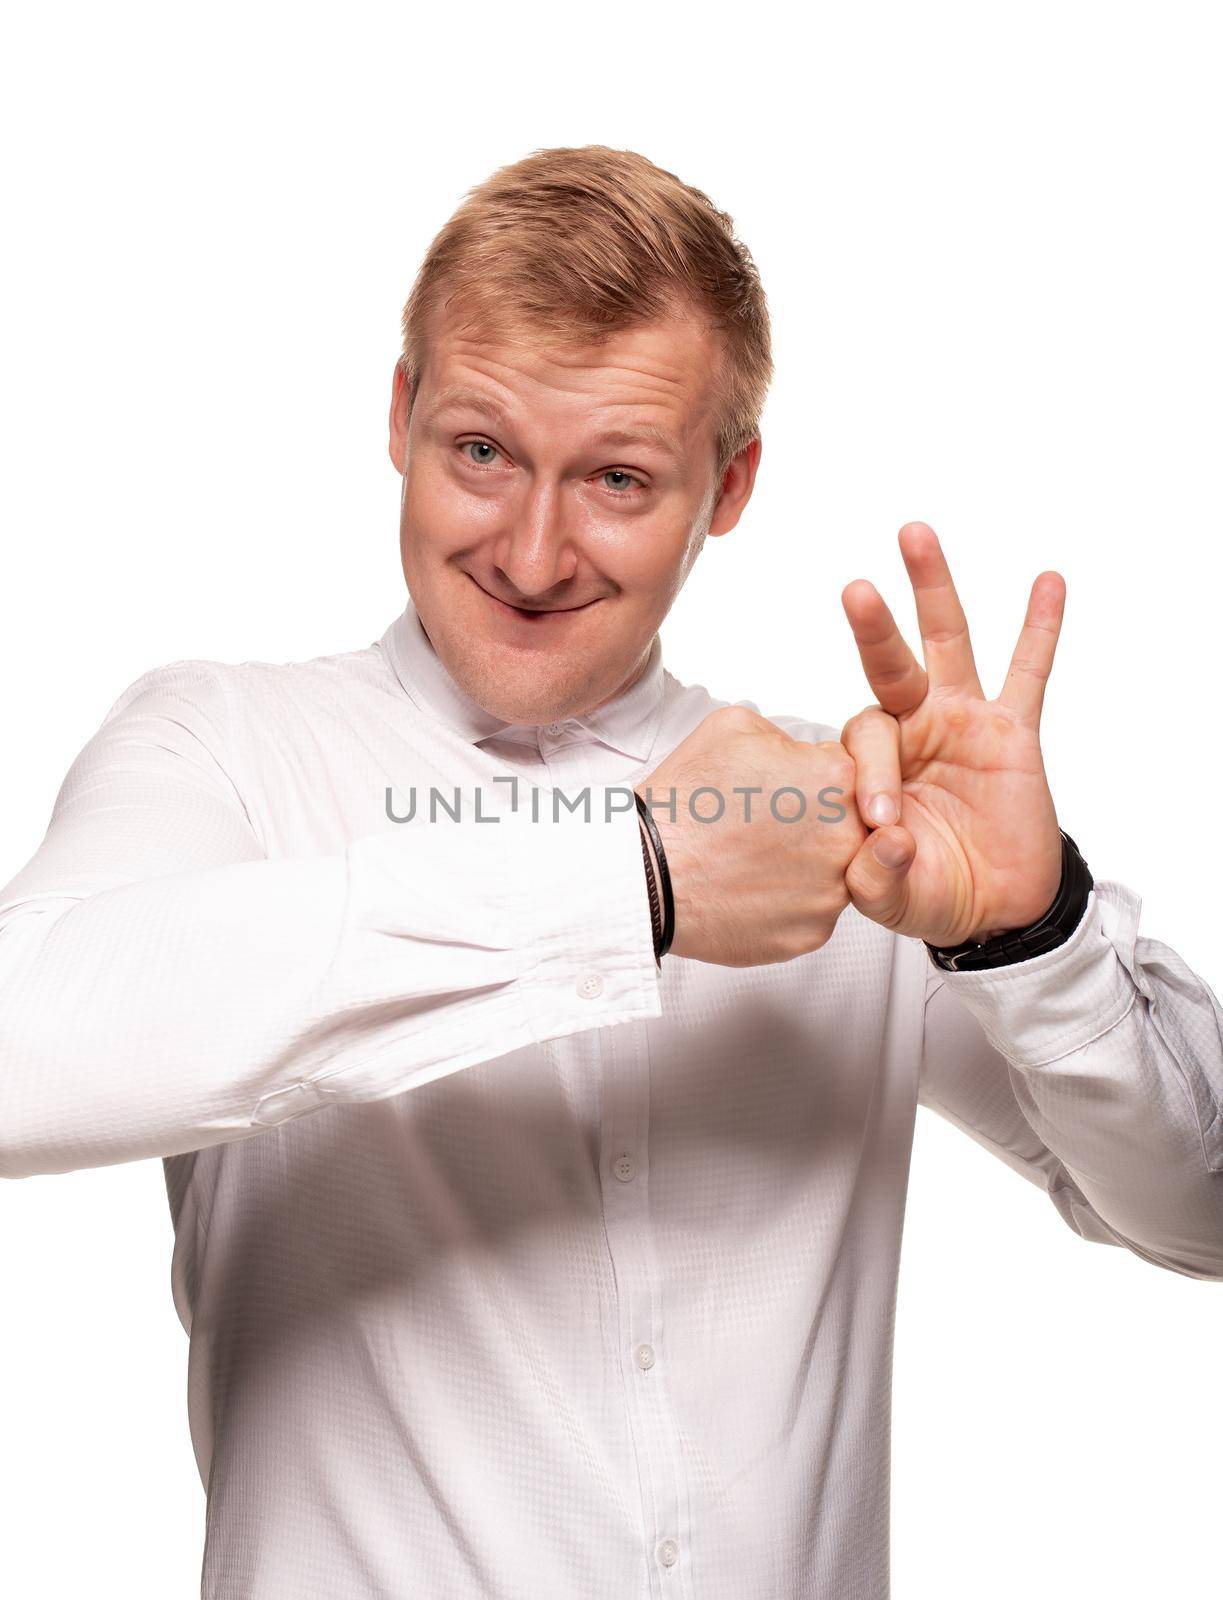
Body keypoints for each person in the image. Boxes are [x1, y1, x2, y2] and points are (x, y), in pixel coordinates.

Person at [1, 143, 1220, 1600]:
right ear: (399, 415)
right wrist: (628, 883)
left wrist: (1033, 935)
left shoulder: (855, 815)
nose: (529, 549)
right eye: (481, 452)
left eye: (620, 480)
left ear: (729, 486)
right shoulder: (225, 744)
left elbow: (1198, 1215)